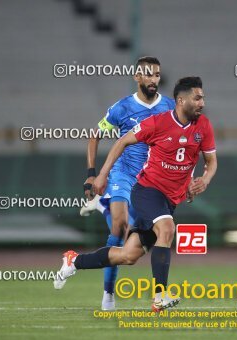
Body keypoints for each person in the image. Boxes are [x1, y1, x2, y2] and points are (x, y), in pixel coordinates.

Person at [54, 77, 217, 311]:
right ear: (181, 101)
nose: (202, 102)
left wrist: (204, 180)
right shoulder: (157, 123)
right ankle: (159, 296)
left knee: (128, 255)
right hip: (147, 191)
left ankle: (74, 262)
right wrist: (101, 175)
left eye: (203, 97)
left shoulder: (204, 126)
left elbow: (211, 162)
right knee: (168, 229)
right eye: (197, 97)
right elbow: (122, 142)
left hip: (170, 200)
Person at [80, 56, 175, 310]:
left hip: (150, 179)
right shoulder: (122, 108)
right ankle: (108, 295)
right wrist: (93, 173)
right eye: (148, 74)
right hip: (123, 174)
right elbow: (95, 135)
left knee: (139, 241)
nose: (153, 79)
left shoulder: (169, 106)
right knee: (120, 228)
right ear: (137, 77)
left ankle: (101, 206)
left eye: (157, 74)